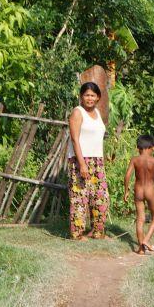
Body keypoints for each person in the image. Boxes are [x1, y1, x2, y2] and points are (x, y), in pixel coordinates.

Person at [67, 82, 108, 240]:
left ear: (98, 97)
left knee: (101, 197)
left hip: (97, 161)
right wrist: (82, 163)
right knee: (80, 198)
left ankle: (97, 232)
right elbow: (75, 139)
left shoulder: (97, 113)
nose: (89, 98)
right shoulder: (78, 112)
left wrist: (100, 161)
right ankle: (77, 234)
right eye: (86, 95)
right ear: (81, 96)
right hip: (80, 160)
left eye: (93, 95)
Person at [123, 135, 154, 255]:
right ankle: (146, 241)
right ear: (150, 147)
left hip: (138, 191)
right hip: (150, 190)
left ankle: (141, 249)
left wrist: (126, 191)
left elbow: (127, 176)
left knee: (140, 218)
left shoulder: (134, 160)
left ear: (139, 147)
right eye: (153, 147)